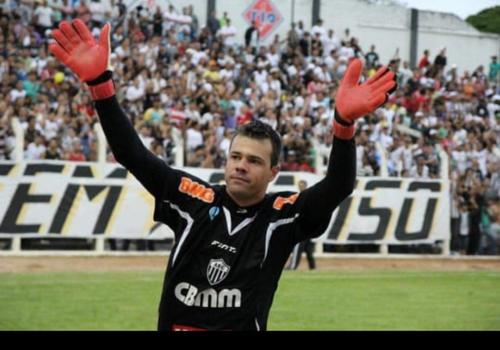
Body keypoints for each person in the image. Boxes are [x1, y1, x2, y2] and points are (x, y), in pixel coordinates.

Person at [48, 19, 395, 331]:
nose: (241, 165)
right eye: (236, 157)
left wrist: (343, 126)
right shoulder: (192, 197)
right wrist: (100, 85)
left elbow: (338, 185)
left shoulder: (282, 217)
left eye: (255, 161)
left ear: (275, 172)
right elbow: (131, 154)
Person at [287, 180, 316, 270]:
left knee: (306, 250)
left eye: (302, 186)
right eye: (300, 186)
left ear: (305, 186)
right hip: (304, 227)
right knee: (305, 249)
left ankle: (294, 267)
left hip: (305, 228)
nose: (301, 187)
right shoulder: (298, 197)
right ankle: (310, 268)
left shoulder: (308, 197)